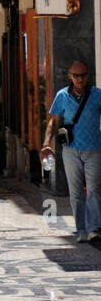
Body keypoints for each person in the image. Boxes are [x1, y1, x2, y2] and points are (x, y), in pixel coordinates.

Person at [41, 60, 101, 245]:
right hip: (70, 150)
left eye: (82, 75)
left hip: (94, 149)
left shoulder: (97, 95)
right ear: (70, 76)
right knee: (75, 192)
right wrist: (46, 143)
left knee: (94, 190)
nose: (79, 79)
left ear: (88, 75)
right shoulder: (62, 95)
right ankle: (81, 229)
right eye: (76, 76)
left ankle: (94, 229)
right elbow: (53, 121)